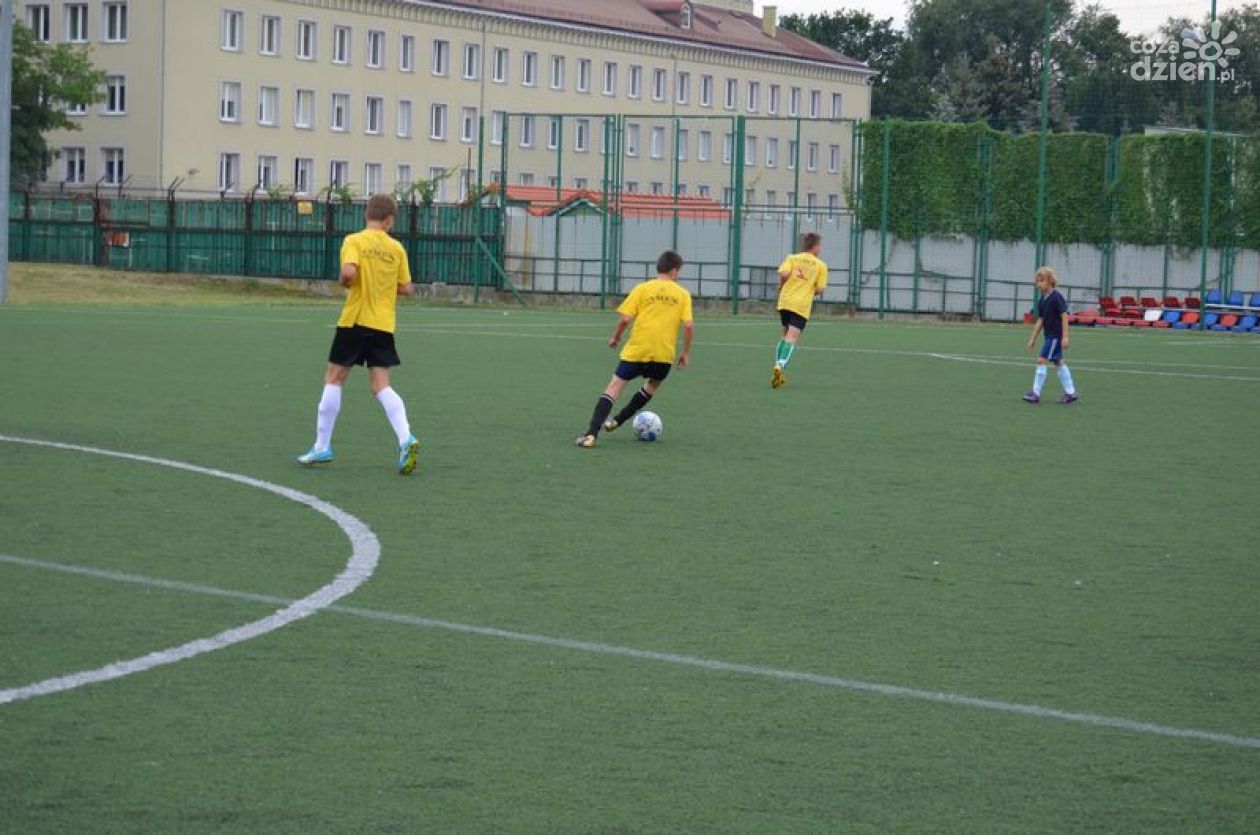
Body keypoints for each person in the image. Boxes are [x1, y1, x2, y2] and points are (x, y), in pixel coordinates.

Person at [297, 194, 423, 473]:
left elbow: (349, 273)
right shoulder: (396, 248)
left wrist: (345, 281)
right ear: (390, 220)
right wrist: (382, 281)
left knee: (334, 378)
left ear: (367, 214)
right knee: (381, 385)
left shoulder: (354, 240)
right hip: (383, 325)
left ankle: (321, 447)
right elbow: (406, 288)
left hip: (355, 321)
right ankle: (406, 438)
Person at [575, 250, 694, 448]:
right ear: (674, 271)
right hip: (663, 355)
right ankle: (617, 421)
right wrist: (685, 353)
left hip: (637, 351)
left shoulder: (642, 289)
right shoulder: (682, 294)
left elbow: (625, 318)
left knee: (614, 388)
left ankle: (591, 435)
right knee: (651, 386)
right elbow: (689, 326)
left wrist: (615, 337)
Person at [771, 232, 828, 388]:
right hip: (800, 305)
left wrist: (782, 285)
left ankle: (778, 369)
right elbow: (820, 289)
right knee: (792, 337)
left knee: (783, 335)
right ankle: (779, 367)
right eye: (820, 245)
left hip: (785, 300)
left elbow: (783, 273)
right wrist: (811, 289)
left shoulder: (792, 258)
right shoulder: (821, 265)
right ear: (815, 247)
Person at [1023, 265, 1079, 404]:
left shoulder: (1056, 297)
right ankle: (1071, 393)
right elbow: (1040, 320)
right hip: (1049, 336)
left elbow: (1064, 316)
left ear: (1050, 281)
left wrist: (1065, 337)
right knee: (1058, 362)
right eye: (1037, 281)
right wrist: (1032, 339)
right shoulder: (1042, 300)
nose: (1038, 284)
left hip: (1055, 336)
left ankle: (1035, 393)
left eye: (1041, 281)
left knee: (1041, 360)